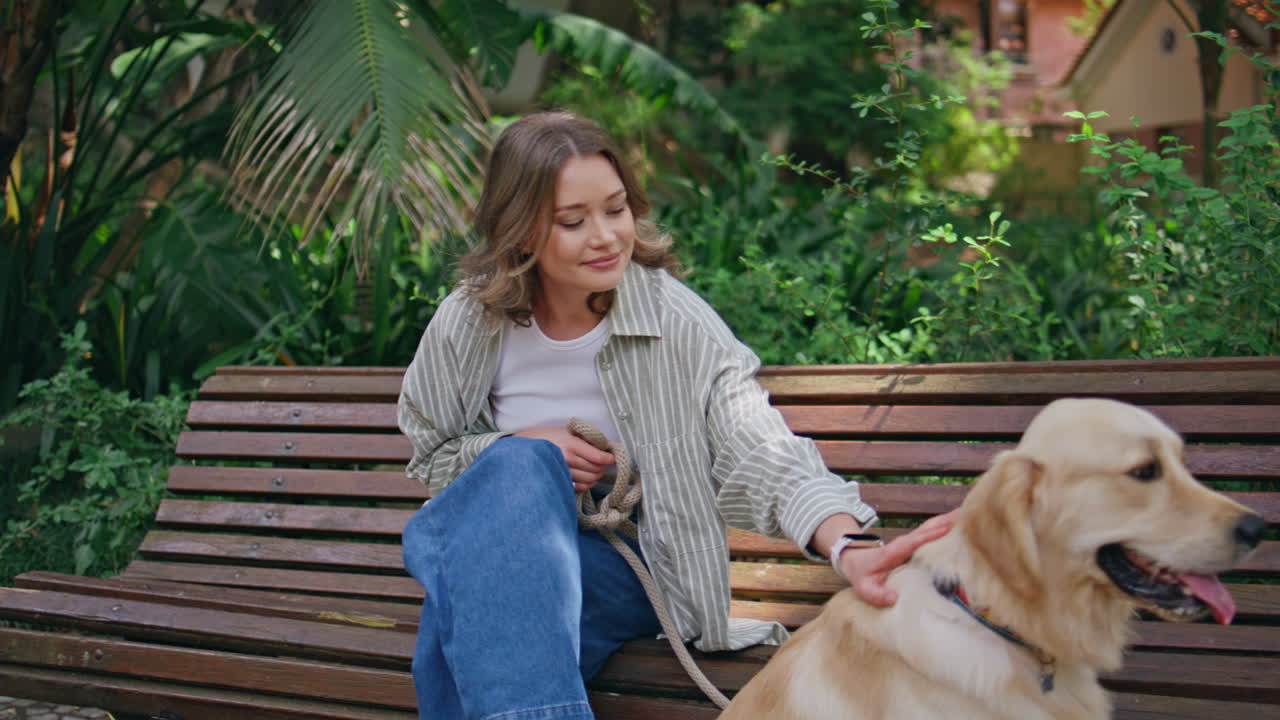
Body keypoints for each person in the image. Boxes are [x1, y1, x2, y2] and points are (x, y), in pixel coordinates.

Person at [397, 110, 955, 720]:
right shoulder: (469, 321)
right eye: (573, 221)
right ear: (522, 231)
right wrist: (520, 448)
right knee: (514, 487)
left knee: (464, 608)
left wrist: (848, 542)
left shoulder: (675, 321)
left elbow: (761, 449)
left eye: (616, 209)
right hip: (505, 557)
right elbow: (434, 456)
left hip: (630, 568)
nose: (607, 236)